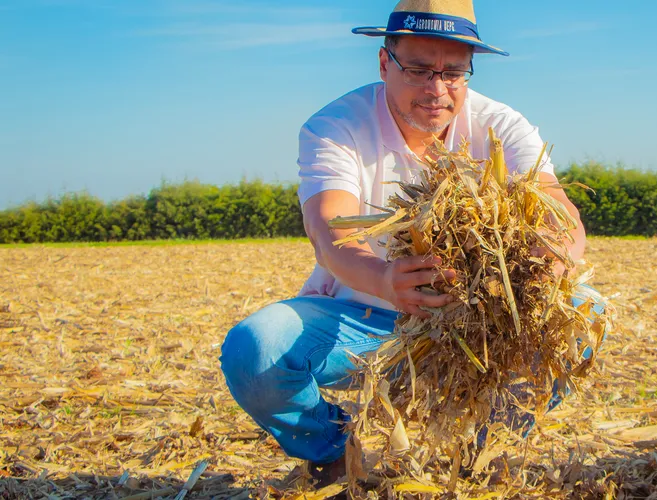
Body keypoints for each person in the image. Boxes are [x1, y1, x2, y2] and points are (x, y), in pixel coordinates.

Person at [219, 0, 600, 487]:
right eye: (418, 70)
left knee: (584, 313)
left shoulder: (501, 126)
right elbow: (329, 230)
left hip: (479, 325)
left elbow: (559, 214)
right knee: (257, 349)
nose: (437, 89)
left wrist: (549, 265)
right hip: (364, 317)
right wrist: (384, 279)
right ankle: (333, 453)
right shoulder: (337, 127)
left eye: (453, 73)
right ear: (384, 62)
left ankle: (487, 451)